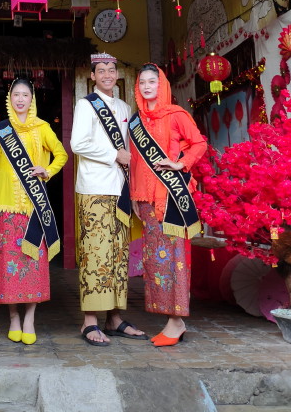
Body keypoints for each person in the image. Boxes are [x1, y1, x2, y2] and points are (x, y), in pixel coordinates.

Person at [71, 53, 147, 346]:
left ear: (117, 74)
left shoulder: (125, 107)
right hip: (94, 189)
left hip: (120, 190)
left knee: (118, 255)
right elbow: (77, 143)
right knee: (95, 254)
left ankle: (114, 318)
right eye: (101, 71)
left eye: (111, 70)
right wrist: (113, 154)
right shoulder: (85, 105)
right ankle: (89, 321)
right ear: (92, 76)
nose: (106, 74)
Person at [129, 63, 207, 346]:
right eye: (142, 83)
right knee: (155, 263)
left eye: (153, 81)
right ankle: (172, 320)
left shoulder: (176, 115)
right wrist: (136, 197)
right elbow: (137, 162)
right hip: (147, 202)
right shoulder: (137, 122)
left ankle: (176, 322)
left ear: (162, 86)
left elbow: (198, 144)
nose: (147, 87)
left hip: (172, 199)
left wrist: (179, 163)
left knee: (174, 259)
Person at [0, 78, 67, 345]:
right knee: (9, 265)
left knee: (34, 263)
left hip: (35, 207)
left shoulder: (42, 128)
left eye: (25, 95)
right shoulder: (0, 130)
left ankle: (30, 319)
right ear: (9, 99)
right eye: (16, 95)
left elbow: (61, 154)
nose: (20, 99)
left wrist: (48, 171)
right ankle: (13, 317)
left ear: (32, 99)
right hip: (6, 206)